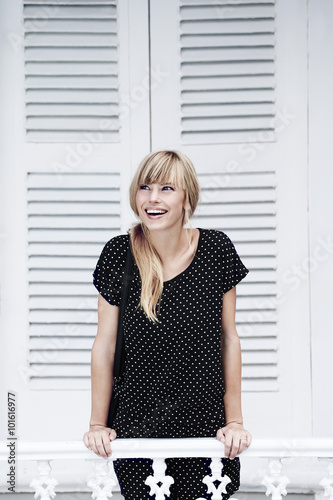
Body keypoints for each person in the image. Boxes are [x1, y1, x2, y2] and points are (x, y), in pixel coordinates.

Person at [83, 150, 252, 499]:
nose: (153, 198)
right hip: (138, 424)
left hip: (205, 423)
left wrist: (233, 420)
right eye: (145, 187)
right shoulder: (119, 253)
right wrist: (97, 424)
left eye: (166, 188)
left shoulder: (216, 249)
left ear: (186, 196)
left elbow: (228, 339)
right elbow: (105, 345)